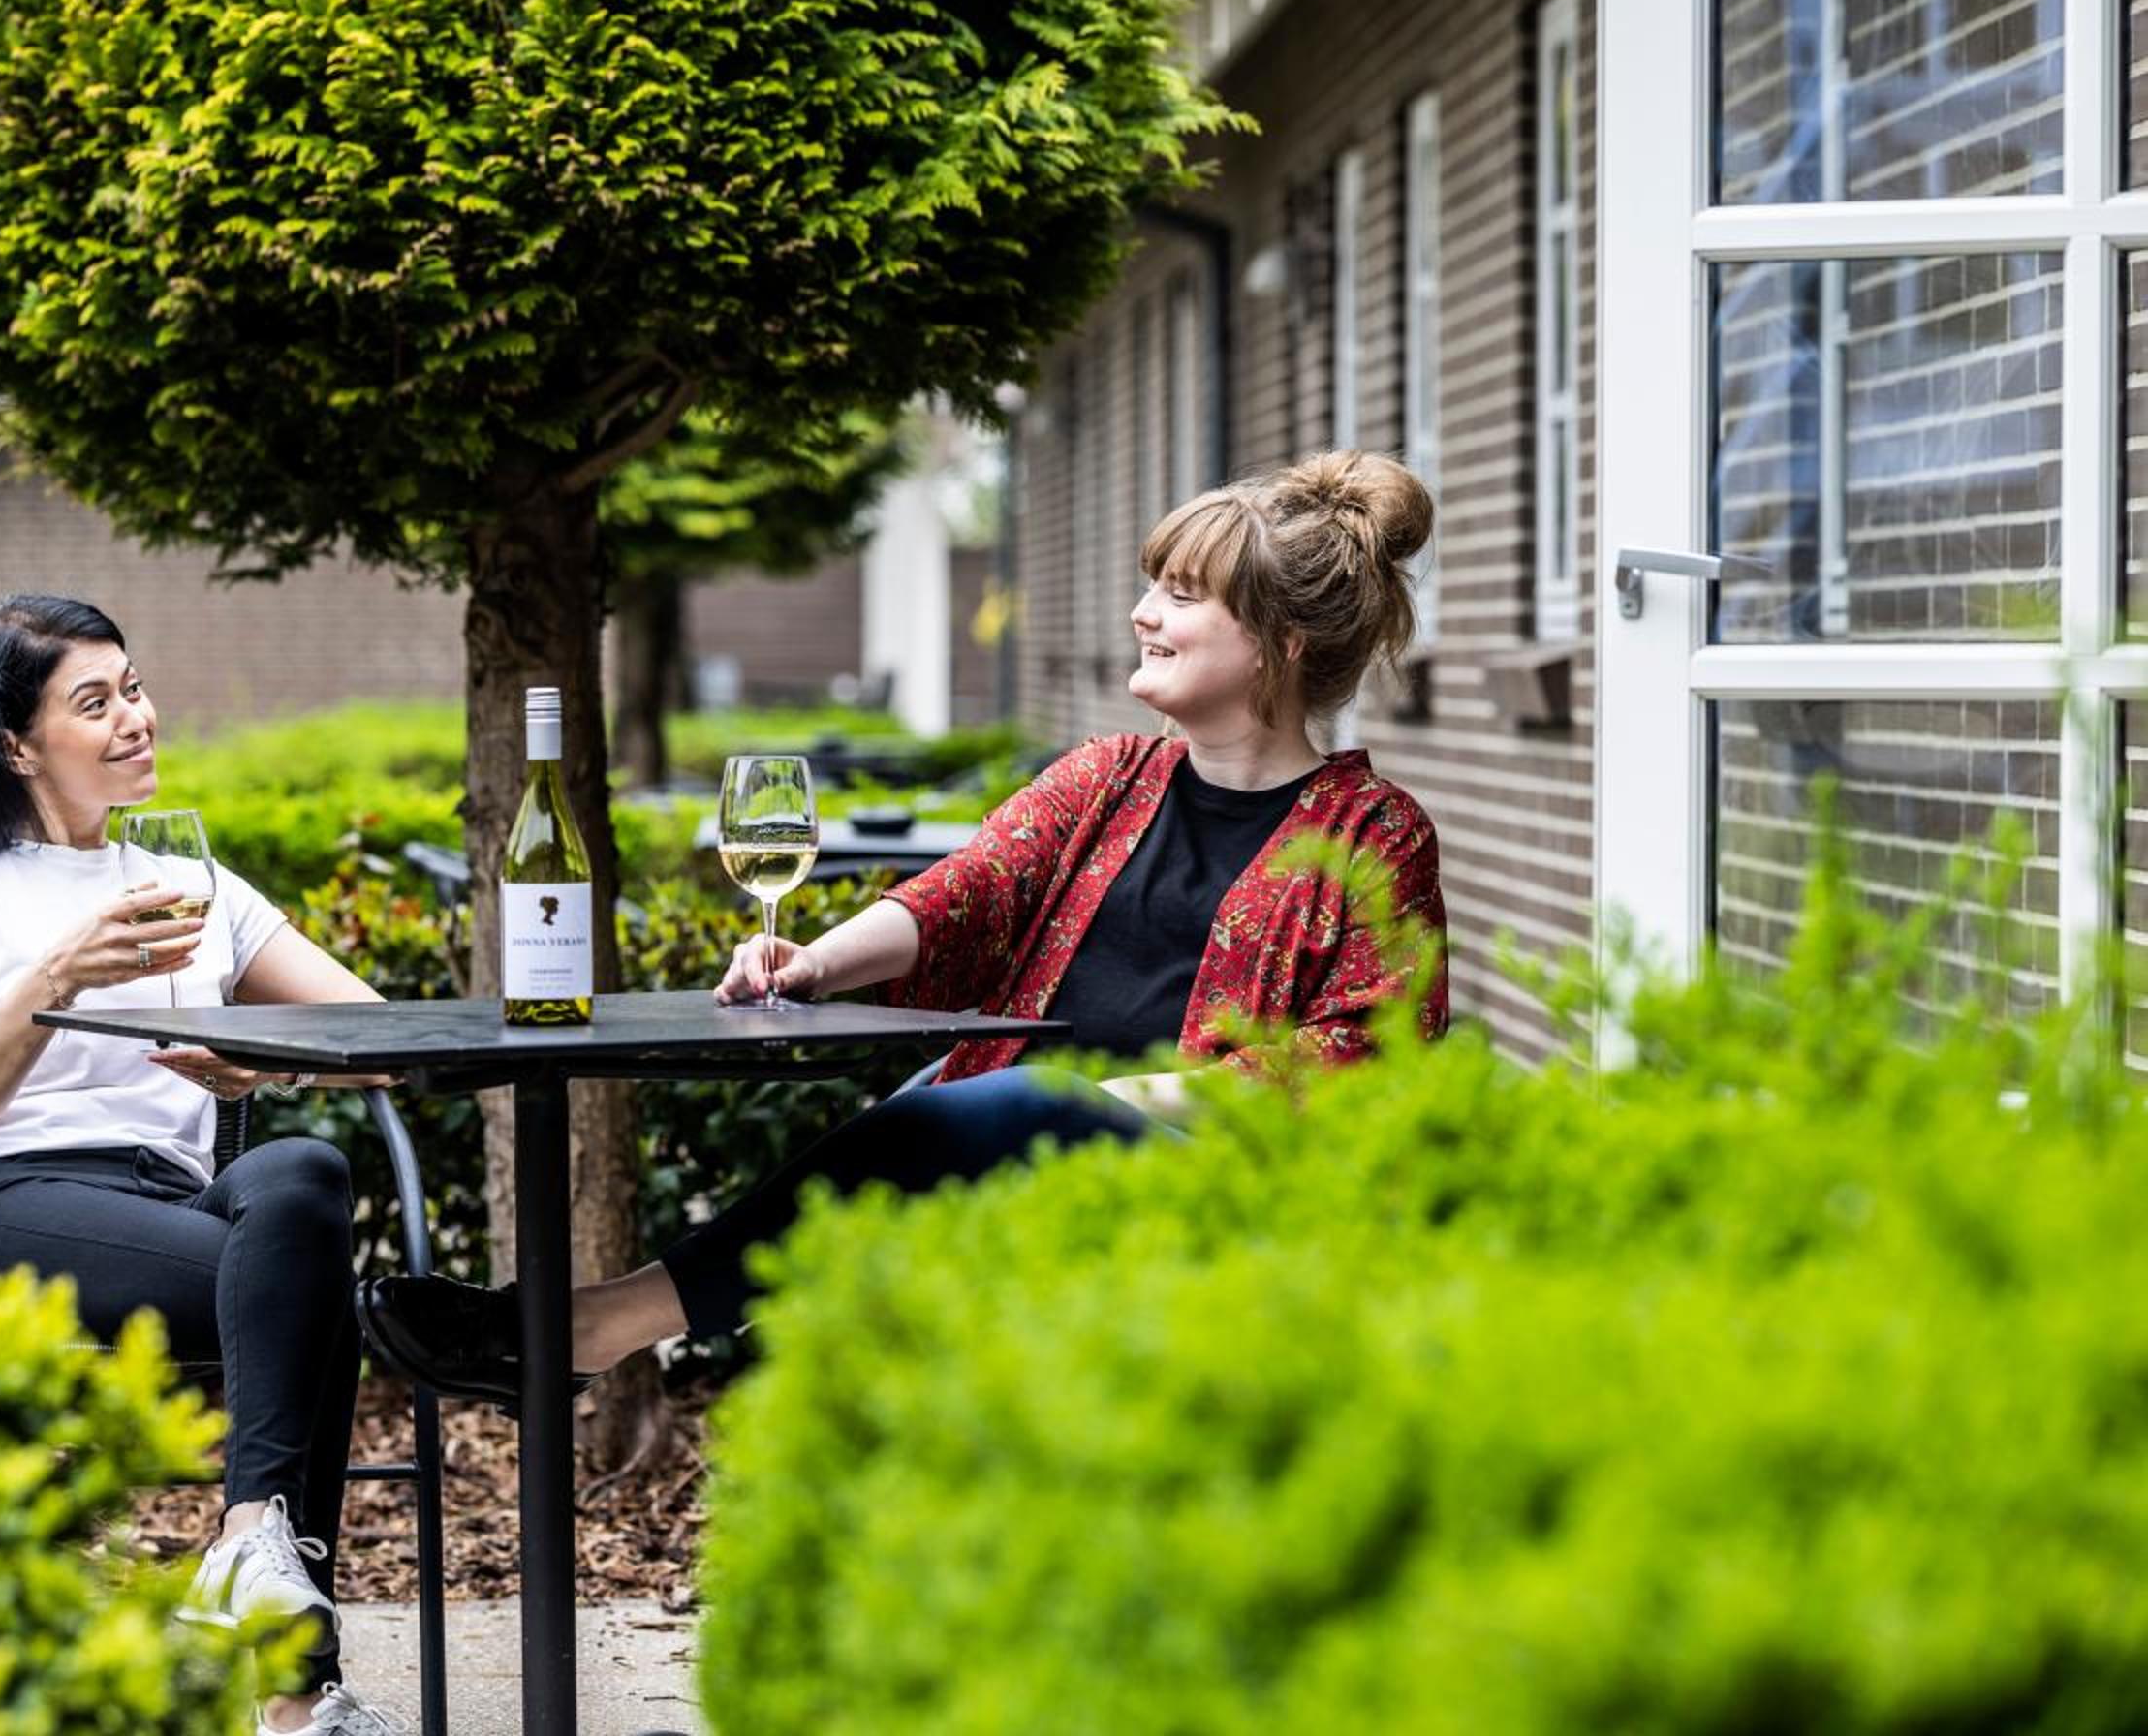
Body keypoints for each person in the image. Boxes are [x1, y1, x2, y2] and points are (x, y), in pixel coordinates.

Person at [358, 451, 1449, 1406]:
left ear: (1280, 643)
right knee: (913, 1120)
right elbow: (963, 893)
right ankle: (582, 1331)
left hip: (1212, 1165)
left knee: (955, 1112)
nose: (1143, 614)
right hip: (1018, 1133)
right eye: (1151, 587)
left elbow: (1358, 1065)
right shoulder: (1109, 777)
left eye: (1179, 594)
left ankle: (585, 1327)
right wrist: (813, 957)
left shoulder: (1375, 833)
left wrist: (1109, 1101)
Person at [0, 596, 402, 1736]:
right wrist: (59, 977)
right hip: (6, 1204)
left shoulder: (197, 886)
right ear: (14, 742)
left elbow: (383, 1036)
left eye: (134, 687)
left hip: (176, 1205)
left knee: (299, 1173)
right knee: (317, 1303)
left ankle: (249, 1541)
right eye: (94, 701)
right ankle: (297, 1696)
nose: (137, 717)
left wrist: (262, 1065)